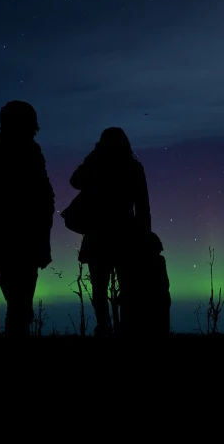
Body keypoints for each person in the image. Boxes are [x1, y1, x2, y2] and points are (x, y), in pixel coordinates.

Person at [0, 100, 55, 338]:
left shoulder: (31, 153)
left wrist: (41, 239)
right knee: (19, 306)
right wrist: (2, 227)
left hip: (24, 243)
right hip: (9, 243)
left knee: (20, 307)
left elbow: (45, 199)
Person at [68, 127, 151, 336]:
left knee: (102, 284)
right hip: (123, 233)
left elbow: (75, 181)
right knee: (126, 285)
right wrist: (144, 235)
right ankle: (123, 327)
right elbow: (143, 206)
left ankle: (105, 326)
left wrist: (93, 157)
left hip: (101, 233)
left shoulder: (98, 165)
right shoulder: (132, 167)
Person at [120, 231, 171, 337]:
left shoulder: (155, 261)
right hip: (155, 299)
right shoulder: (156, 261)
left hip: (155, 299)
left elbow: (164, 283)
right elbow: (165, 283)